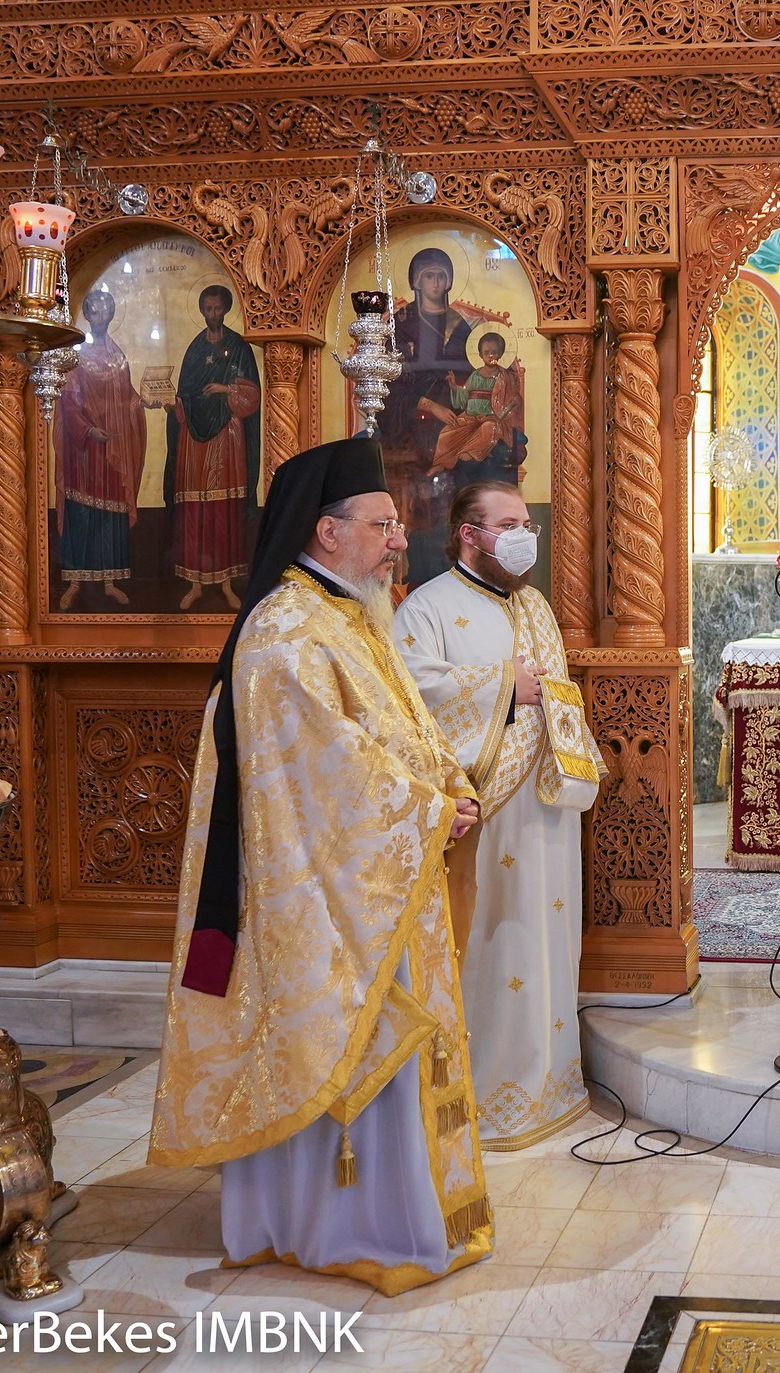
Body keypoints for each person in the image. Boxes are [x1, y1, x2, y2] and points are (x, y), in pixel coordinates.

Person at [148, 435, 493, 1295]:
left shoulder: (349, 614)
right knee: (344, 1049)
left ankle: (395, 1212)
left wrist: (449, 783)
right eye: (382, 524)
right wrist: (426, 809)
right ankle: (343, 1225)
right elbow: (323, 766)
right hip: (318, 898)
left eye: (396, 524)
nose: (398, 539)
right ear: (327, 530)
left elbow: (401, 727)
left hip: (377, 876)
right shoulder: (285, 632)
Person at [394, 480, 602, 1152]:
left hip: (545, 804)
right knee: (493, 946)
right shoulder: (426, 608)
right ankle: (484, 1094)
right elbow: (411, 696)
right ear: (469, 534)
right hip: (481, 813)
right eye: (509, 525)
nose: (523, 537)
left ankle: (551, 1085)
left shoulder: (535, 604)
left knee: (548, 940)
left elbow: (555, 692)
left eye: (527, 525)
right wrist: (503, 686)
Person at [381, 246, 474, 587]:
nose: (435, 283)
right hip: (406, 427)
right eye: (428, 276)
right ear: (416, 282)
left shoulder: (460, 326)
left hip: (454, 419)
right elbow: (388, 383)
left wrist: (456, 395)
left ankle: (453, 570)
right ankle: (415, 571)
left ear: (449, 281)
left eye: (441, 276)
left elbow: (473, 373)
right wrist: (428, 405)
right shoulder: (400, 325)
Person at [166, 283, 261, 611]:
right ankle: (195, 584)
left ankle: (226, 583)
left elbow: (252, 397)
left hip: (227, 435)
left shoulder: (238, 347)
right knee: (195, 507)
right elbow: (184, 394)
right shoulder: (194, 349)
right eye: (207, 308)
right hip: (194, 439)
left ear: (226, 309)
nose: (212, 314)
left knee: (224, 508)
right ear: (202, 310)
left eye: (217, 308)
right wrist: (173, 405)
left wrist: (226, 389)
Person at [55, 289, 146, 609]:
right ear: (87, 315)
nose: (101, 316)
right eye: (95, 310)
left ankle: (109, 582)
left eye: (106, 310)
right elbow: (67, 401)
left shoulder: (118, 356)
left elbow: (127, 398)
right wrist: (88, 430)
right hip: (83, 451)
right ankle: (74, 582)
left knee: (110, 515)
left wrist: (142, 403)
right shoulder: (76, 357)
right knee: (81, 513)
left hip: (112, 451)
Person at [419, 331, 527, 489]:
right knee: (448, 431)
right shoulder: (475, 375)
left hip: (493, 418)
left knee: (488, 429)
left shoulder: (505, 377)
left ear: (501, 353)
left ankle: (468, 453)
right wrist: (454, 387)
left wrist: (511, 405)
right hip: (471, 417)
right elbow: (464, 400)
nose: (490, 355)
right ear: (480, 355)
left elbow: (513, 399)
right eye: (486, 352)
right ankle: (441, 463)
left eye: (494, 352)